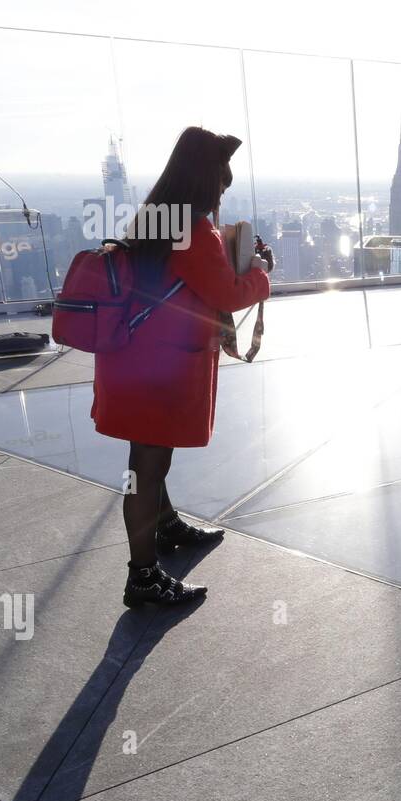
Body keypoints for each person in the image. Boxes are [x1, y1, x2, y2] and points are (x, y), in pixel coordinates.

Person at [91, 127, 273, 605]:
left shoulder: (154, 218)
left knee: (149, 459)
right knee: (146, 467)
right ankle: (143, 576)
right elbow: (227, 295)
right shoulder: (192, 231)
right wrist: (259, 274)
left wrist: (237, 264)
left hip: (136, 363)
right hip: (158, 371)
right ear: (204, 181)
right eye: (220, 185)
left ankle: (166, 527)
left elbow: (182, 283)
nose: (220, 195)